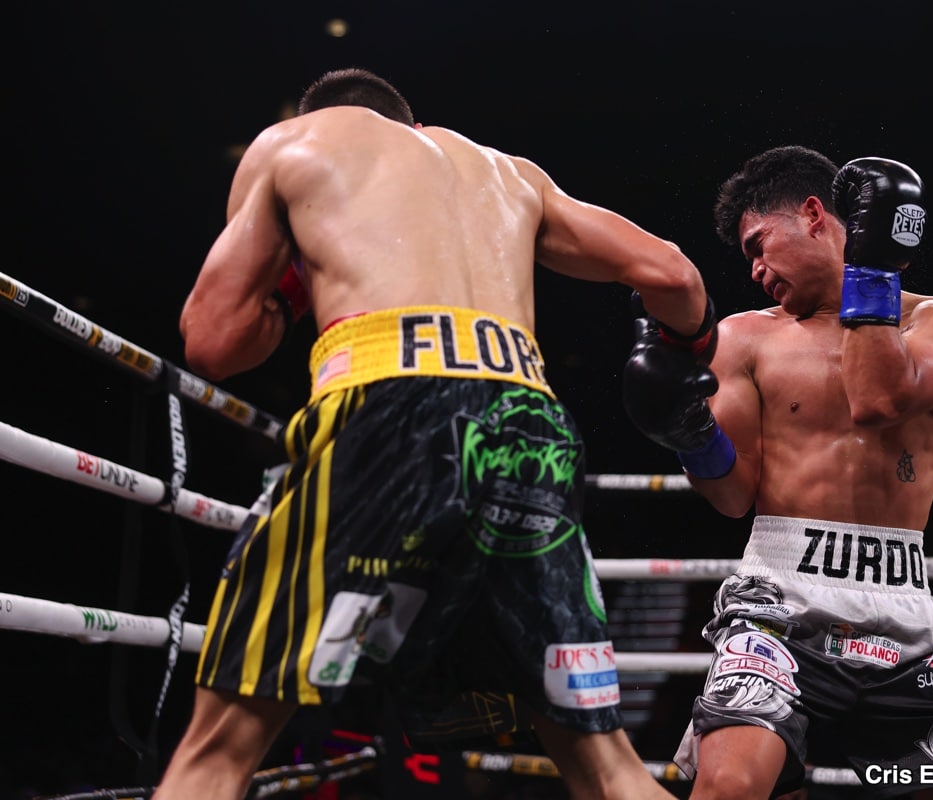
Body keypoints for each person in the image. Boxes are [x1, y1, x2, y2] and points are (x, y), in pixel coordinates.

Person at [153, 67, 716, 800]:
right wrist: (689, 349)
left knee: (220, 748)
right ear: (412, 129)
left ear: (327, 117)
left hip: (390, 407)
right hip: (529, 422)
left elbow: (212, 339)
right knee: (603, 763)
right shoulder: (508, 173)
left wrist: (296, 281)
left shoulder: (294, 141)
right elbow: (671, 274)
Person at [622, 145, 933, 800]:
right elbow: (732, 498)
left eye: (759, 244)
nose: (755, 270)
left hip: (904, 608)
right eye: (747, 257)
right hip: (777, 601)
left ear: (814, 213)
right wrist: (688, 435)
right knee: (729, 788)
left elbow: (877, 398)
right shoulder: (743, 339)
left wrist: (870, 270)